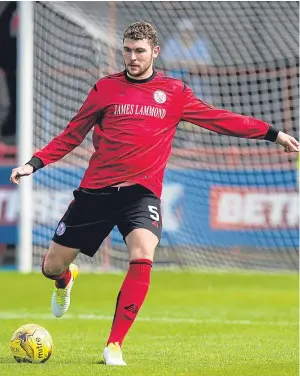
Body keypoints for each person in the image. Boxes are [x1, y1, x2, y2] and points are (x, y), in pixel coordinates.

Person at [10, 22, 299, 366]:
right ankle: (65, 279)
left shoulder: (174, 92)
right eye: (128, 51)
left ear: (155, 52)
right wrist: (34, 163)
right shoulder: (105, 88)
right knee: (51, 265)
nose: (132, 58)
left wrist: (273, 133)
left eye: (140, 51)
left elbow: (219, 119)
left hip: (141, 193)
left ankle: (114, 345)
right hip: (96, 192)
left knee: (143, 253)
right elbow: (71, 134)